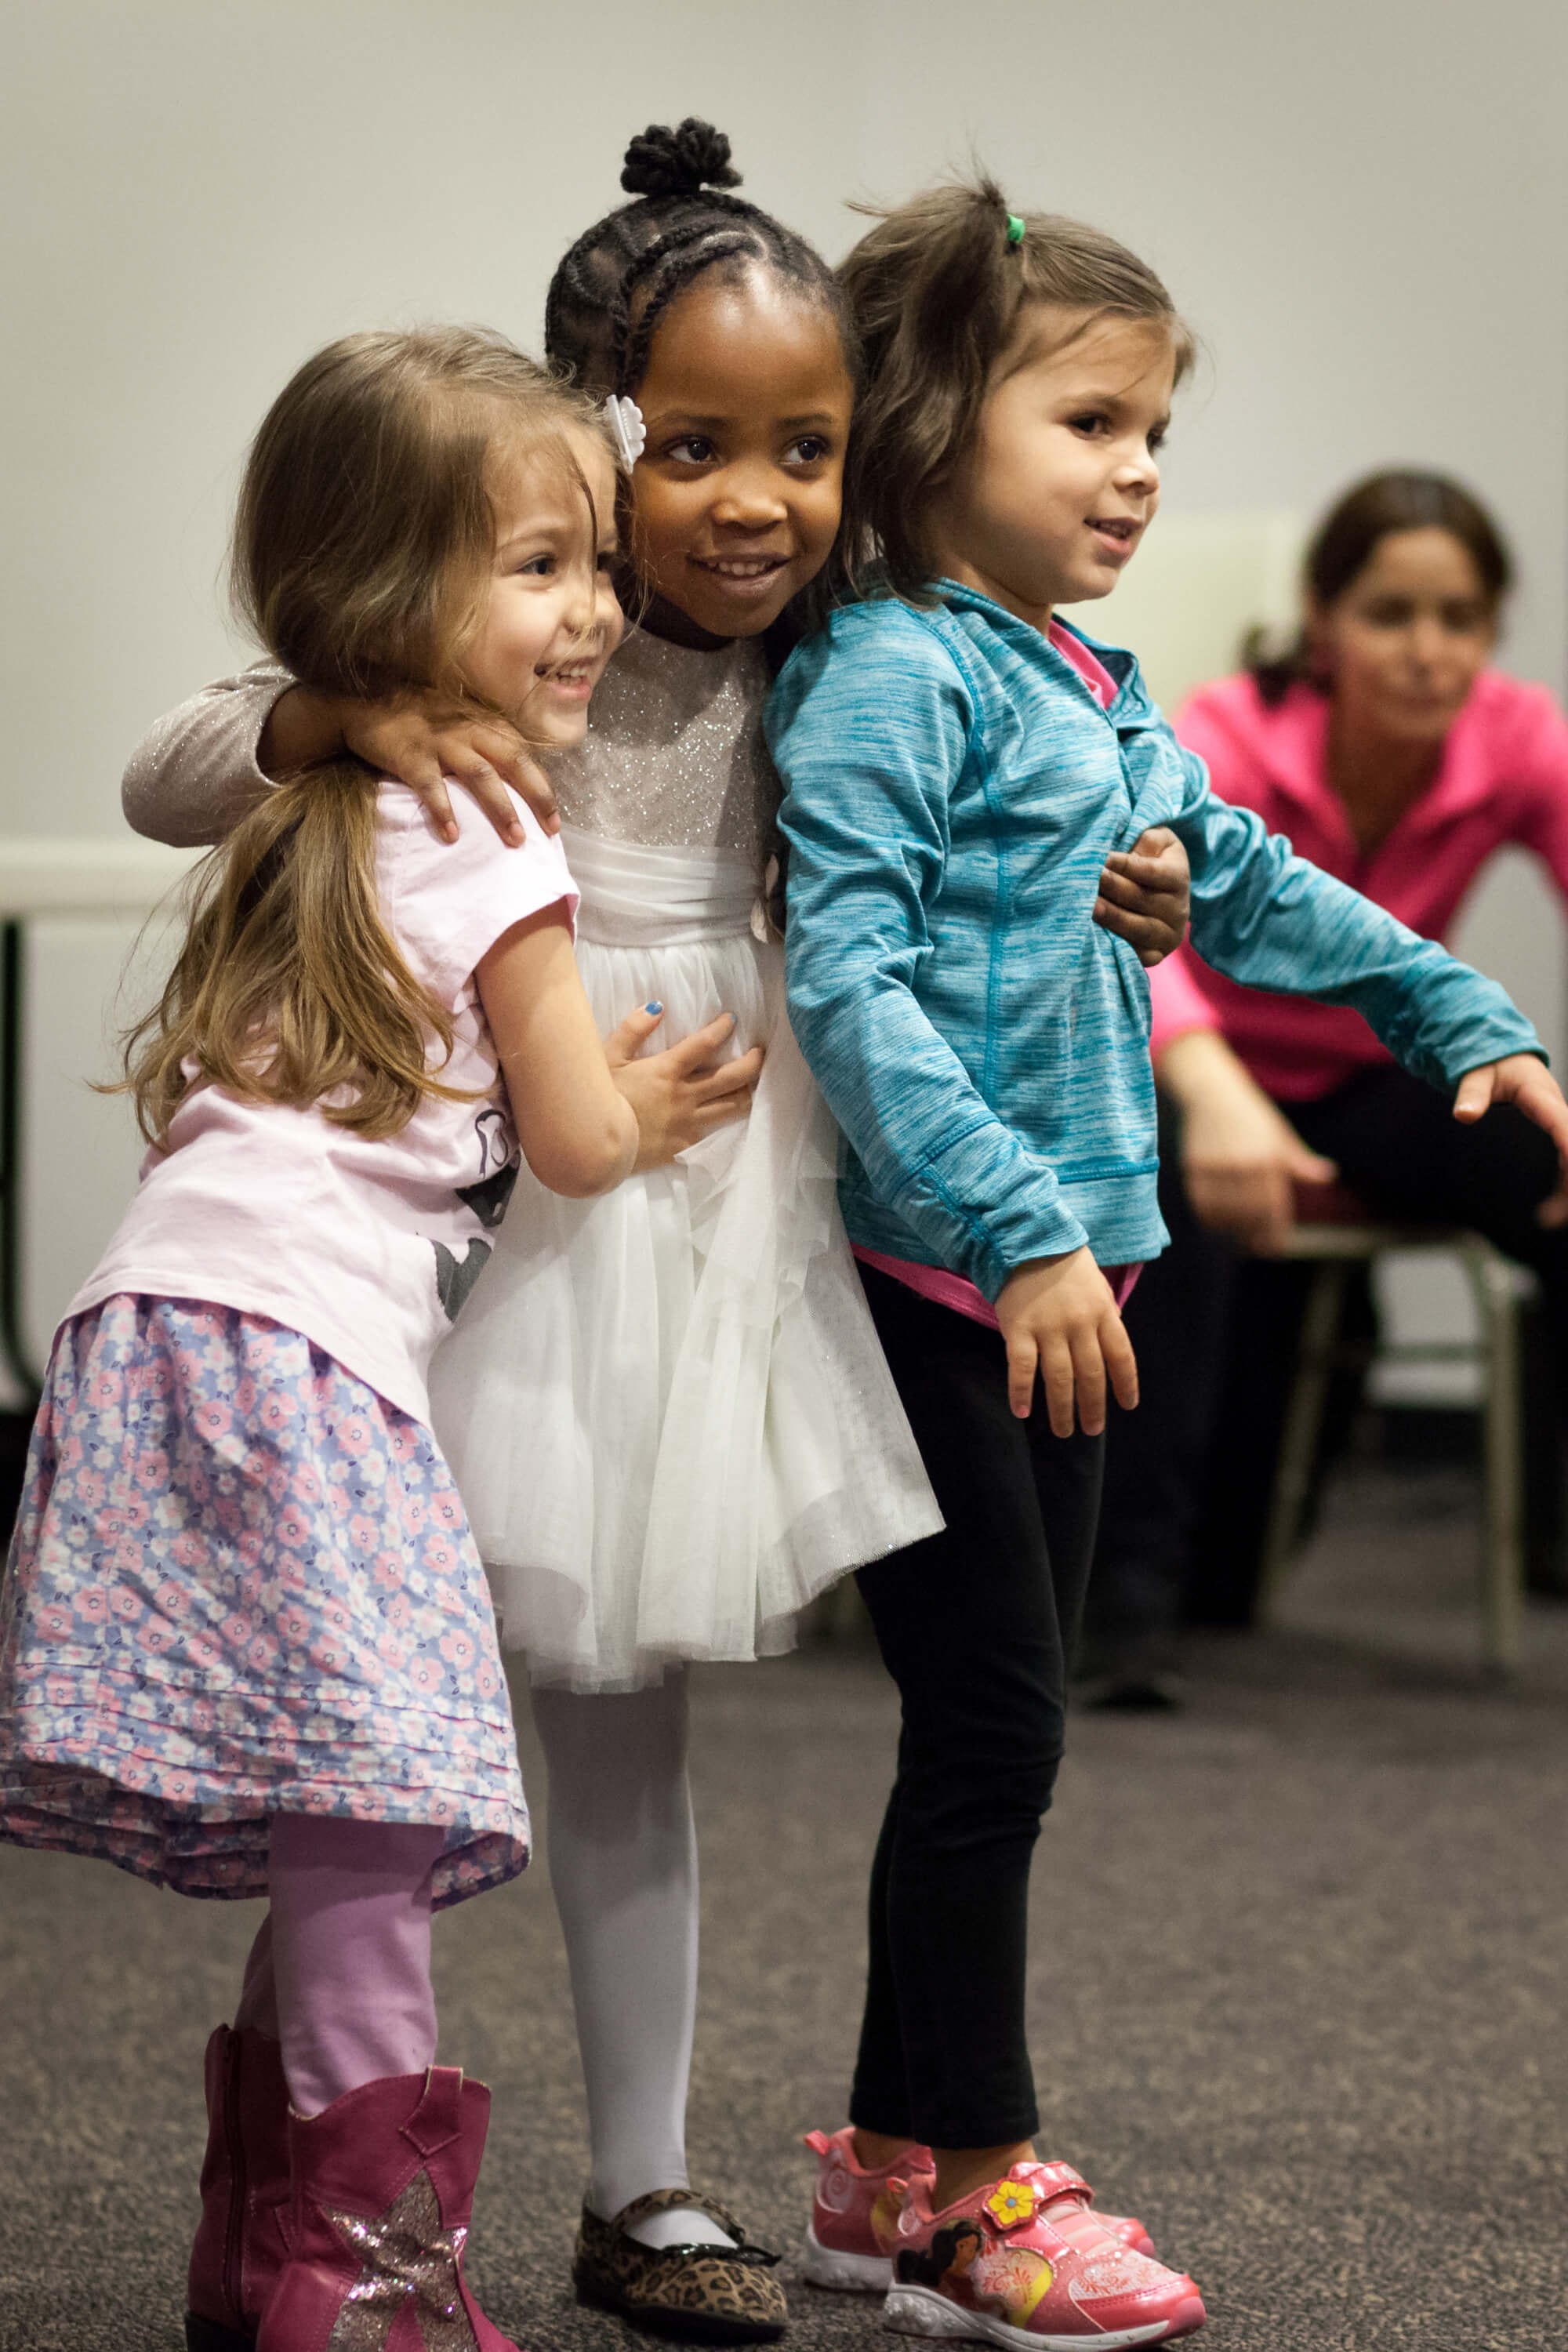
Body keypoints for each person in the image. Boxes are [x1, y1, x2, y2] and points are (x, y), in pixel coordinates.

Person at [118, 122, 1190, 2344]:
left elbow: (976, 842)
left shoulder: (839, 655)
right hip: (469, 1204)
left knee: (626, 1721)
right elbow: (178, 763)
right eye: (689, 446)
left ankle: (648, 2187)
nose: (751, 500)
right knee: (372, 1734)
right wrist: (345, 712)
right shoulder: (500, 641)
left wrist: (1143, 886)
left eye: (802, 450)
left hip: (702, 1212)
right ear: (597, 441)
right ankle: (300, 2182)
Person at [768, 183, 1568, 2349]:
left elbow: (1248, 881)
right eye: (1094, 422)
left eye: (1157, 435)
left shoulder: (1087, 674)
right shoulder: (882, 677)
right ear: (934, 428)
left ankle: (886, 2163)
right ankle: (981, 2191)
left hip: (1077, 1282)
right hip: (957, 1288)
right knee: (1000, 1726)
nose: (1138, 473)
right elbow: (848, 988)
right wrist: (1021, 1231)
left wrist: (1457, 1017)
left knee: (988, 1741)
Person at [0, 322, 719, 2352]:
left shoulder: (305, 791)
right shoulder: (495, 828)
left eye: (597, 561)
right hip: (302, 1358)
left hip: (159, 1330)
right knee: (387, 1806)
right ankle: (370, 2277)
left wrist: (323, 713)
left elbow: (163, 767)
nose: (594, 609)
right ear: (390, 596)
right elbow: (572, 1136)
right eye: (543, 566)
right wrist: (653, 1111)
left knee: (338, 1798)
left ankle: (268, 2246)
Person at [1086, 470, 1568, 1693]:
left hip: (1369, 1080)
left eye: (1459, 620)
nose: (1426, 651)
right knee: (1164, 1211)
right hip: (1192, 1063)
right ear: (1324, 618)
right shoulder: (1230, 728)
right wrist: (1216, 1097)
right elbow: (1136, 938)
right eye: (1391, 615)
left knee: (1552, 1163)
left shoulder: (1518, 737)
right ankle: (1120, 1611)